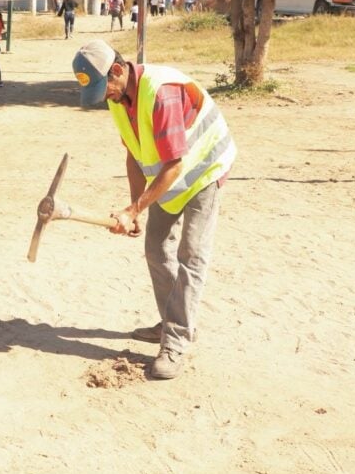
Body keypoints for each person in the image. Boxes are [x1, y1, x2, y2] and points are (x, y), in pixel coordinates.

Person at [71, 40, 236, 379]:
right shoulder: (119, 99)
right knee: (156, 249)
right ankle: (173, 322)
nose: (107, 97)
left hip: (204, 170)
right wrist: (136, 210)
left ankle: (175, 342)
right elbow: (134, 154)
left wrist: (134, 208)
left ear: (117, 70)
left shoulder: (161, 93)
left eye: (107, 89)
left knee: (192, 255)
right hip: (171, 177)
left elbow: (175, 164)